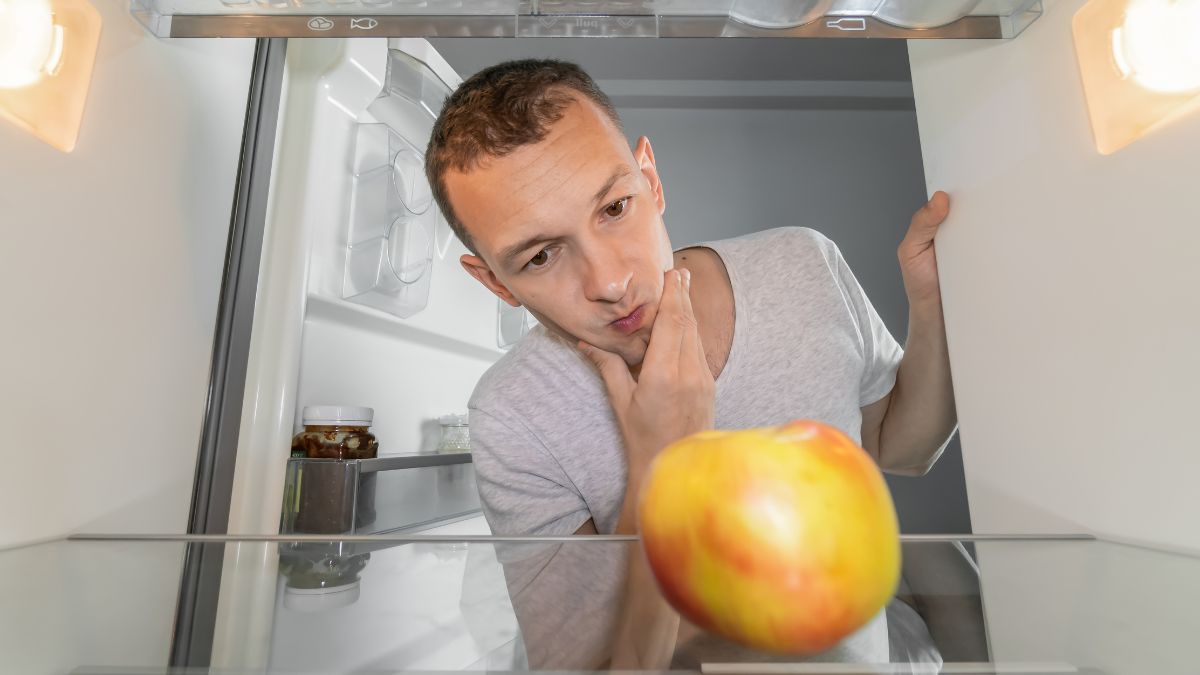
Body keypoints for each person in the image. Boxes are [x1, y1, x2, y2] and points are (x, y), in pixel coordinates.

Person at [424, 59, 957, 670]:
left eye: (615, 208)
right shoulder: (513, 415)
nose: (611, 282)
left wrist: (934, 302)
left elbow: (903, 449)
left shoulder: (802, 264)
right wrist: (661, 465)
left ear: (650, 180)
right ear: (495, 283)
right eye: (542, 256)